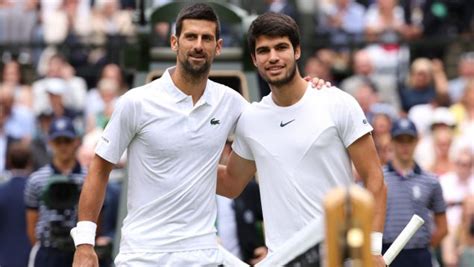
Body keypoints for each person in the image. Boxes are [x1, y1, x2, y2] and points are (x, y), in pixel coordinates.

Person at [71, 3, 328, 266]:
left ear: (217, 47)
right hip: (142, 255)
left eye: (206, 38)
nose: (198, 45)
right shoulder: (136, 102)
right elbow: (99, 170)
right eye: (191, 37)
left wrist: (306, 90)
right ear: (175, 43)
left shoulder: (230, 102)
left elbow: (276, 119)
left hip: (203, 255)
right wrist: (84, 243)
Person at [217, 12, 387, 267]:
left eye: (281, 47)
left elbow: (375, 179)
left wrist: (372, 251)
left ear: (297, 51)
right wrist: (175, 163)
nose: (273, 57)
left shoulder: (337, 102)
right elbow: (231, 184)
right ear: (254, 59)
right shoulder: (250, 119)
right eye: (263, 51)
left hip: (338, 258)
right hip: (281, 260)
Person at [381, 118, 448, 267]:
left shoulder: (430, 181)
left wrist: (424, 245)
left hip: (419, 254)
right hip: (386, 252)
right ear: (391, 142)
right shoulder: (379, 178)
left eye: (409, 140)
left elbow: (443, 226)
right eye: (400, 140)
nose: (405, 146)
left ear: (417, 141)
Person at [24, 116, 86, 266]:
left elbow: (97, 218)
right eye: (58, 141)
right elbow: (32, 222)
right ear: (50, 142)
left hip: (77, 248)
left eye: (67, 141)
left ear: (76, 141)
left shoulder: (88, 178)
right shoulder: (37, 179)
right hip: (48, 250)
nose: (63, 146)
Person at [0, 142, 32, 267]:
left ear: (8, 162)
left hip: (5, 258)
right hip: (30, 258)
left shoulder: (2, 192)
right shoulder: (37, 192)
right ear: (30, 162)